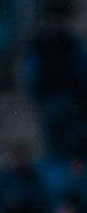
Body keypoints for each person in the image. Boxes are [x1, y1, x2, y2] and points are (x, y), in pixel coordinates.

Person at [26, 9, 87, 160]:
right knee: (53, 147)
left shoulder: (72, 43)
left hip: (68, 100)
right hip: (49, 101)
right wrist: (35, 99)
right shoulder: (39, 45)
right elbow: (32, 74)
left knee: (71, 145)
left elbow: (82, 71)